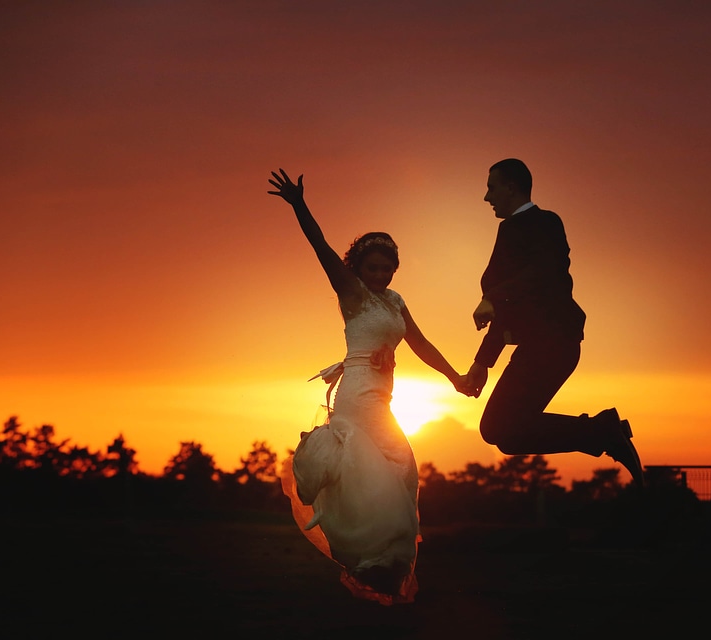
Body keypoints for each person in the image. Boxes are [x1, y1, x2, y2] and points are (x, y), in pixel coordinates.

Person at [267, 168, 470, 605]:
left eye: (387, 268)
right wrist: (299, 205)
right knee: (378, 473)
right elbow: (320, 249)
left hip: (385, 395)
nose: (380, 274)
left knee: (400, 472)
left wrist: (455, 376)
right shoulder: (352, 292)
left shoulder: (395, 302)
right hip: (358, 395)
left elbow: (420, 343)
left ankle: (383, 567)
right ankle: (369, 559)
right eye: (372, 267)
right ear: (358, 267)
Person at [463, 158, 644, 486]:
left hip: (555, 344)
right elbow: (508, 309)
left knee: (497, 428)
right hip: (537, 346)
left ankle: (602, 431)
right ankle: (600, 432)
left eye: (491, 188)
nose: (487, 197)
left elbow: (545, 272)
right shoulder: (509, 230)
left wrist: (495, 294)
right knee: (503, 434)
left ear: (510, 187)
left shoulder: (546, 223)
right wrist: (482, 362)